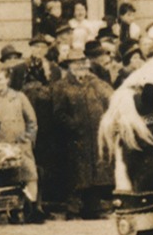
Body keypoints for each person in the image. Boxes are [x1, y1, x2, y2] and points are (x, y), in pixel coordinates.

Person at [48, 46, 115, 220]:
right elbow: (58, 113)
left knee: (95, 172)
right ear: (69, 65)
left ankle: (93, 208)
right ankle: (73, 209)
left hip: (94, 135)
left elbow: (108, 97)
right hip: (75, 137)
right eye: (75, 63)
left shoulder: (94, 82)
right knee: (76, 174)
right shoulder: (61, 86)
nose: (80, 66)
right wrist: (74, 125)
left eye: (82, 62)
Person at [0, 64, 42, 223]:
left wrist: (28, 137)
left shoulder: (19, 97)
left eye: (0, 79)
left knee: (29, 175)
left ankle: (31, 209)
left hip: (20, 145)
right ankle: (2, 210)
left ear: (7, 80)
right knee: (2, 179)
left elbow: (32, 120)